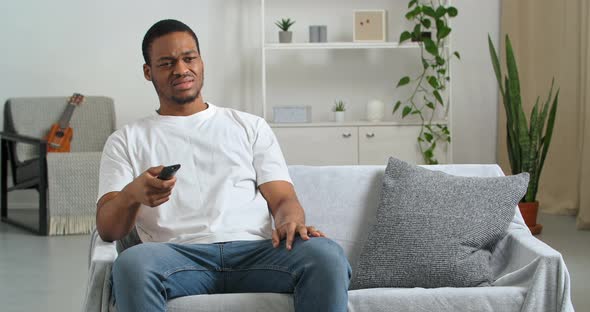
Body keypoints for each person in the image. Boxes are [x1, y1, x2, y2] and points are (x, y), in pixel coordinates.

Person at [95, 19, 351, 312]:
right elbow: (107, 229)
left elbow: (283, 199)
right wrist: (132, 195)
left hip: (256, 254)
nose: (181, 70)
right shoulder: (125, 140)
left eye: (189, 58)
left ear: (201, 62)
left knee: (326, 255)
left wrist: (288, 221)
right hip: (177, 257)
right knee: (131, 265)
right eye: (166, 63)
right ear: (148, 71)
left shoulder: (249, 126)